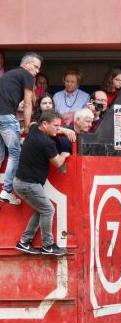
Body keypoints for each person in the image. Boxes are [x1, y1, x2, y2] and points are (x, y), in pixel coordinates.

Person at [14, 110, 71, 256]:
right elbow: (58, 163)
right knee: (48, 210)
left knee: (42, 209)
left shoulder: (34, 128)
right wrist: (64, 153)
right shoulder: (46, 142)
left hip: (22, 182)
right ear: (44, 124)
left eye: (60, 126)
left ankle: (24, 242)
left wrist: (61, 129)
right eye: (56, 126)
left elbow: (32, 123)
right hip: (28, 184)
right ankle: (48, 245)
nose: (58, 129)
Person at [0, 52, 42, 205]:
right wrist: (26, 126)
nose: (37, 71)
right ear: (26, 64)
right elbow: (29, 103)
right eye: (36, 67)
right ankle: (7, 191)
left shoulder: (8, 75)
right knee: (15, 153)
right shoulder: (27, 75)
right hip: (7, 117)